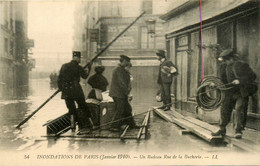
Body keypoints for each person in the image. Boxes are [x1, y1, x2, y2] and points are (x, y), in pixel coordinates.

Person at [212, 49, 257, 139]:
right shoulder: (223, 67)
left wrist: (240, 80)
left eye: (227, 60)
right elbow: (222, 80)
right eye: (224, 61)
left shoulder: (242, 65)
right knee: (224, 109)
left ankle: (238, 130)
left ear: (232, 58)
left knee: (239, 109)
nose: (225, 62)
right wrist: (215, 84)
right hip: (229, 92)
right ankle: (222, 129)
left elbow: (253, 76)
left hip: (241, 92)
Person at [57, 51, 92, 133]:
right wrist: (89, 68)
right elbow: (85, 76)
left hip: (66, 90)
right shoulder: (78, 67)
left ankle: (72, 126)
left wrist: (61, 88)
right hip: (76, 89)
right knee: (83, 106)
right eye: (80, 58)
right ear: (77, 58)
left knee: (71, 108)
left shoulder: (64, 66)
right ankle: (89, 124)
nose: (80, 60)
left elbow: (59, 79)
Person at [109, 55, 138, 132]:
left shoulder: (122, 70)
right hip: (117, 93)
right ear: (123, 62)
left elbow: (126, 83)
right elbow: (122, 83)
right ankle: (113, 126)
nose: (128, 63)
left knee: (128, 109)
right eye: (127, 62)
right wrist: (127, 94)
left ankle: (132, 124)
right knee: (120, 109)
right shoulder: (118, 70)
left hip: (121, 93)